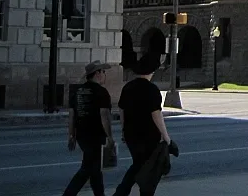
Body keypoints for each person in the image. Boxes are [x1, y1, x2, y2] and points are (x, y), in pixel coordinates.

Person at [113, 53, 172, 196]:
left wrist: (123, 129)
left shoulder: (128, 87)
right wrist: (166, 136)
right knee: (146, 167)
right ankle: (127, 192)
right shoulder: (152, 90)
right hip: (148, 136)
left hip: (130, 134)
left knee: (139, 163)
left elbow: (122, 110)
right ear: (151, 72)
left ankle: (124, 191)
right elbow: (156, 114)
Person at [63, 61, 114, 196]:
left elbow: (72, 115)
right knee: (87, 169)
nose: (104, 75)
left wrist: (71, 135)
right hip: (96, 136)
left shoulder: (77, 91)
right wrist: (110, 137)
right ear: (97, 74)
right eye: (103, 72)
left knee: (95, 168)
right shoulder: (101, 92)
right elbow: (104, 115)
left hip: (82, 136)